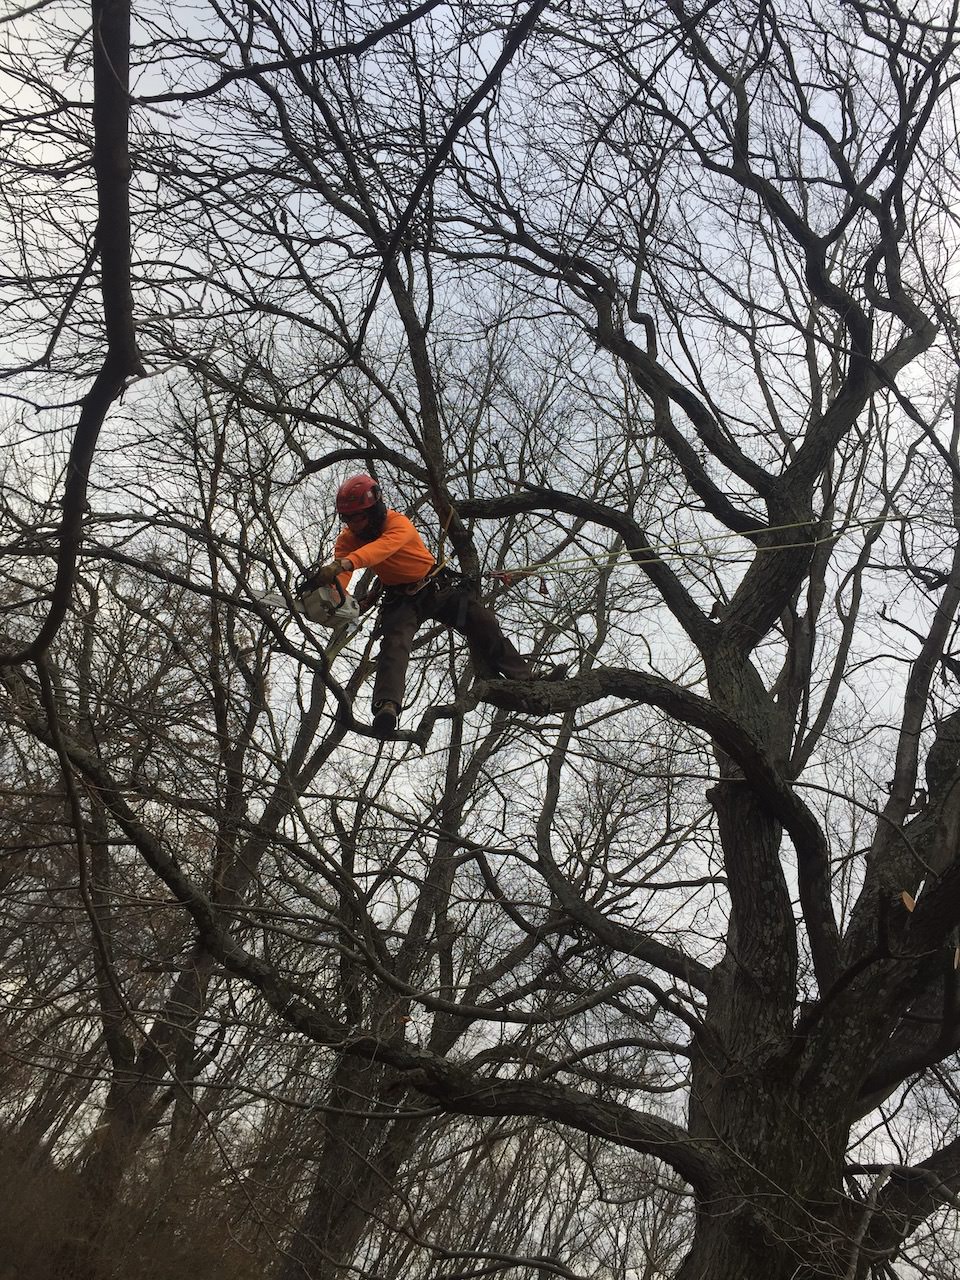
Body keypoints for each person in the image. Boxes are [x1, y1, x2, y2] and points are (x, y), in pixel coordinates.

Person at [307, 474, 565, 736]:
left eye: (358, 517)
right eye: (348, 519)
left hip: (435, 588)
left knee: (483, 621)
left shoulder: (398, 524)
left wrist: (343, 564)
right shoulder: (348, 539)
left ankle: (526, 679)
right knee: (394, 644)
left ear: (374, 510)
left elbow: (378, 551)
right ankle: (387, 707)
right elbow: (342, 572)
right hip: (401, 599)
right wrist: (332, 590)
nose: (354, 524)